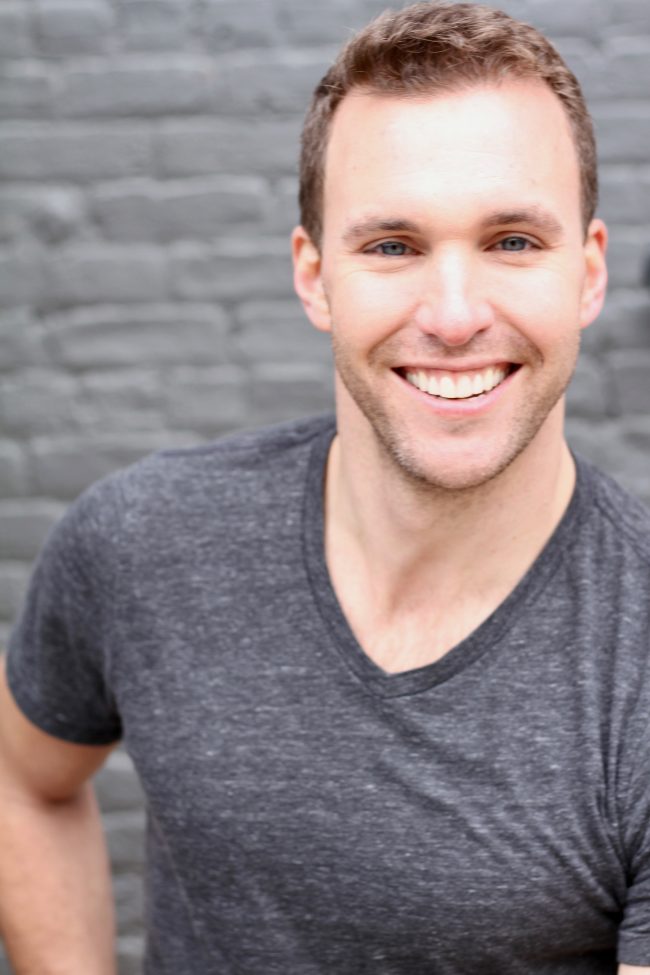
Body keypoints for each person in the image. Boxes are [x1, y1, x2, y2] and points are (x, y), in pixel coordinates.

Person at [1, 2, 649, 972]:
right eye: (391, 246)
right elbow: (23, 776)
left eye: (513, 241)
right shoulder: (140, 542)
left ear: (587, 273)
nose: (453, 315)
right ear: (314, 277)